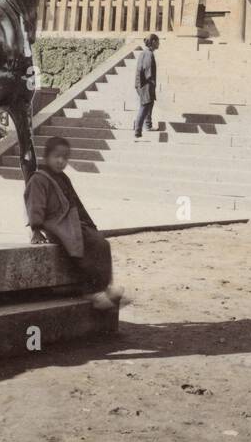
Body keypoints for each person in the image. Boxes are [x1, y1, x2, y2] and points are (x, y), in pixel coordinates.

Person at [25, 136, 126, 310]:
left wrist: (89, 224)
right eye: (57, 156)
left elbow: (76, 203)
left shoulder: (63, 177)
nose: (60, 161)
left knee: (102, 244)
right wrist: (36, 229)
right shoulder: (38, 179)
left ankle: (105, 287)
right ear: (46, 157)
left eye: (65, 158)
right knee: (84, 246)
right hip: (55, 224)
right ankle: (92, 291)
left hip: (71, 221)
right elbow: (35, 205)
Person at [133, 33, 159, 139]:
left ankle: (148, 125)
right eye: (158, 42)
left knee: (149, 104)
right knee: (144, 106)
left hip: (142, 84)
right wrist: (151, 81)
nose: (159, 44)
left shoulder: (145, 53)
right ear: (153, 42)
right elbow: (147, 69)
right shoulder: (148, 54)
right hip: (145, 84)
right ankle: (137, 131)